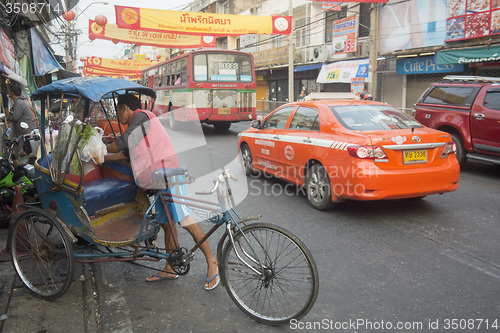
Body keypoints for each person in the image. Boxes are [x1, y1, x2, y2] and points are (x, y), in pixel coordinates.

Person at [105, 94, 219, 290]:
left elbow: (123, 142)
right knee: (167, 225)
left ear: (124, 108)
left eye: (117, 111)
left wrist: (102, 148)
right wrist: (103, 157)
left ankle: (212, 262)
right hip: (157, 180)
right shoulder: (139, 124)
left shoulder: (142, 117)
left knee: (186, 221)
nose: (118, 117)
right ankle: (170, 267)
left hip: (169, 175)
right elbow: (125, 153)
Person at [5, 82, 37, 166]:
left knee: (23, 156)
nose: (8, 93)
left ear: (12, 92)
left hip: (26, 133)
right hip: (26, 132)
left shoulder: (19, 103)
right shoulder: (20, 101)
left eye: (9, 91)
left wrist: (6, 116)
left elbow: (14, 117)